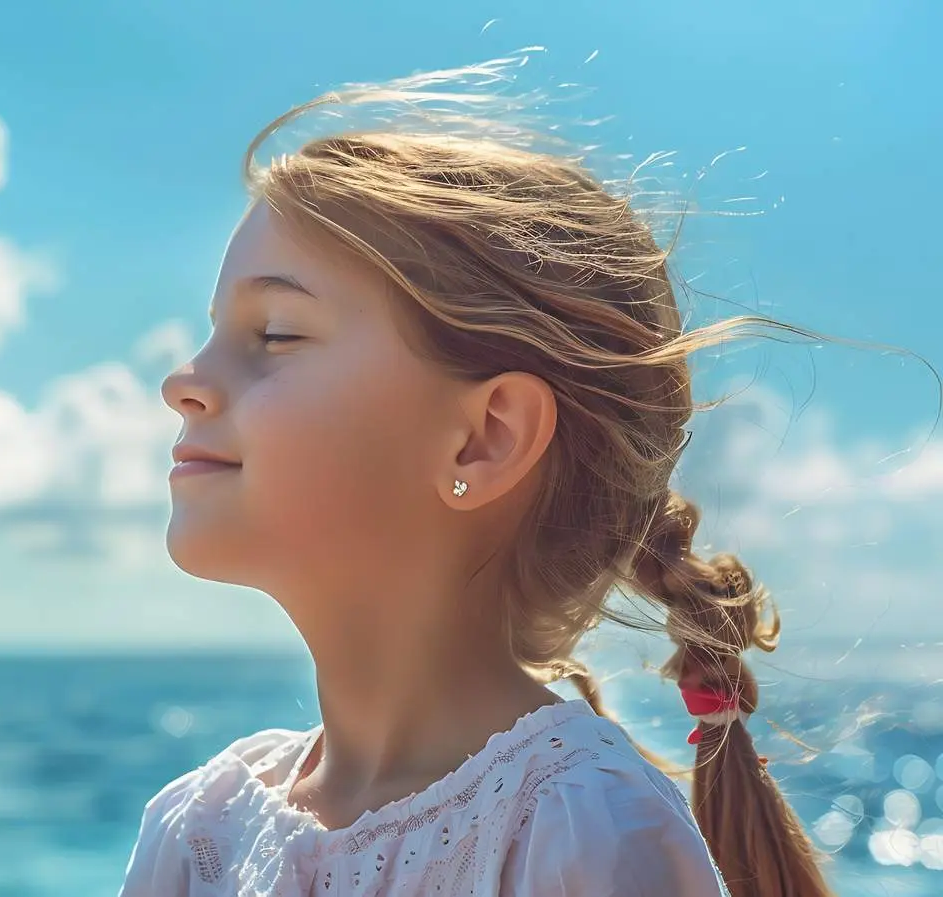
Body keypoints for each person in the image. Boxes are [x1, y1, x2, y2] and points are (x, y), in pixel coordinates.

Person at [121, 60, 832, 897]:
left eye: (275, 332)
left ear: (484, 438)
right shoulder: (200, 830)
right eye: (213, 334)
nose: (184, 380)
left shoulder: (583, 835)